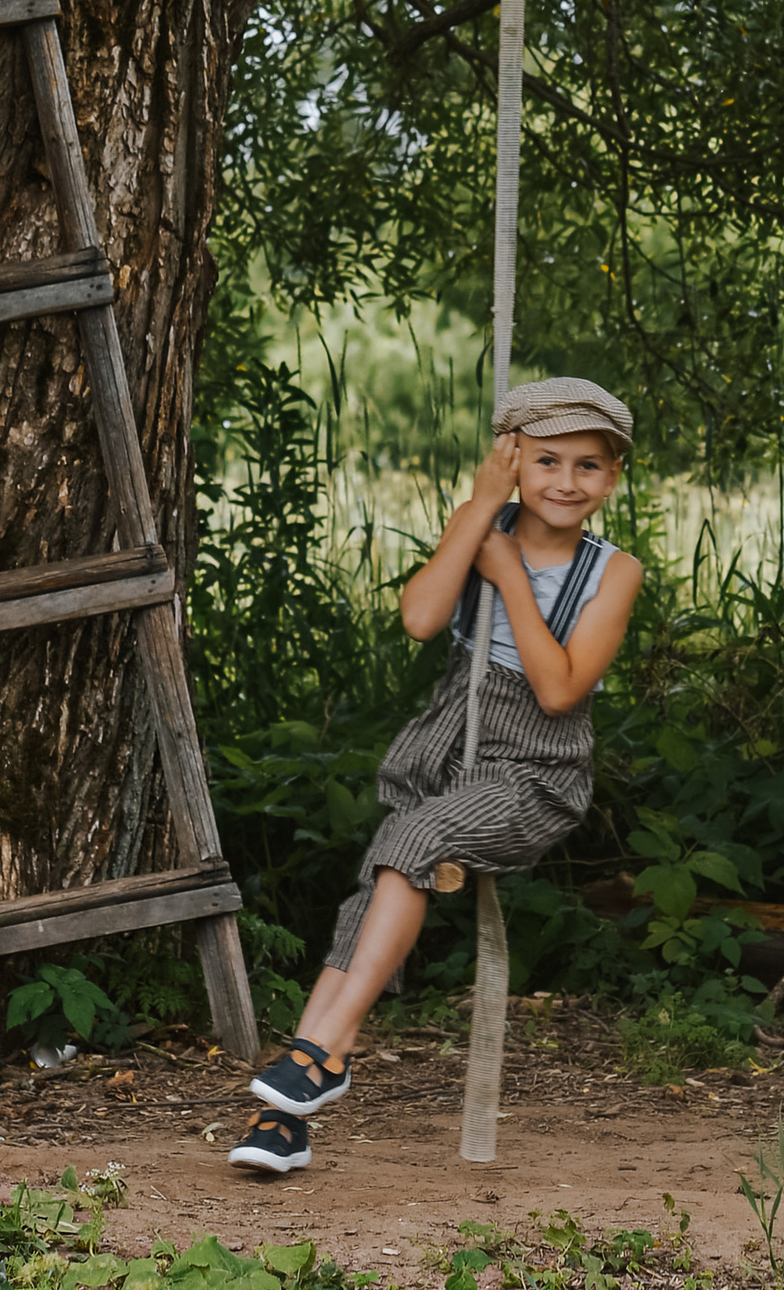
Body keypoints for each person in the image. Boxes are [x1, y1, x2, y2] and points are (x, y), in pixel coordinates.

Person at [228, 374, 641, 1177]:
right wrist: (481, 511)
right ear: (512, 460)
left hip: (533, 771)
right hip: (448, 749)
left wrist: (510, 577)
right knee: (377, 887)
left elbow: (559, 693)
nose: (565, 481)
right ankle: (284, 1118)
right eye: (546, 460)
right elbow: (420, 618)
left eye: (588, 465)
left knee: (410, 841)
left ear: (612, 476)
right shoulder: (479, 522)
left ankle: (321, 1054)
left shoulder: (612, 572)